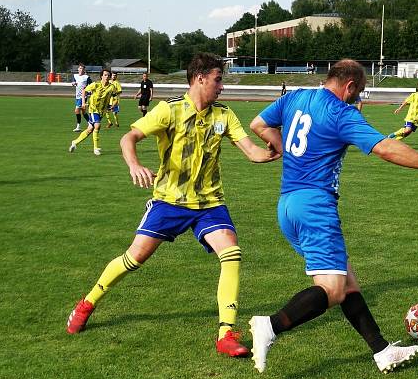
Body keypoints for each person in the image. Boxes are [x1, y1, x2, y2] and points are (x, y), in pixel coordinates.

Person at [248, 59, 418, 374]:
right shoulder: (340, 113)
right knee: (333, 288)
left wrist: (290, 152)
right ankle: (271, 325)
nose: (357, 100)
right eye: (358, 92)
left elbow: (258, 124)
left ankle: (382, 350)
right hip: (315, 207)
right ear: (349, 86)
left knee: (347, 283)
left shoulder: (296, 96)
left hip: (288, 205)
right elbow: (385, 148)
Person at [66, 53, 280, 358]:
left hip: (209, 202)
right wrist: (134, 165)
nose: (222, 86)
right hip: (169, 201)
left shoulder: (224, 114)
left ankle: (226, 333)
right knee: (134, 258)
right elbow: (129, 138)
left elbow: (251, 152)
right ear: (200, 78)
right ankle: (86, 304)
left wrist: (274, 152)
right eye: (218, 79)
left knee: (232, 253)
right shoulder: (169, 110)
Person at [68, 69, 114, 156]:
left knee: (90, 129)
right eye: (105, 75)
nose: (107, 77)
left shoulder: (111, 87)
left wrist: (110, 105)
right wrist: (83, 103)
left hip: (102, 111)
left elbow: (110, 97)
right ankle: (96, 148)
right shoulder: (95, 85)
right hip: (93, 109)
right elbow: (84, 91)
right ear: (101, 76)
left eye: (108, 75)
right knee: (97, 125)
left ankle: (75, 142)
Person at [71, 64, 92, 131]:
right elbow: (73, 82)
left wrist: (88, 92)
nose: (81, 70)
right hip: (77, 96)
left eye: (82, 69)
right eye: (80, 68)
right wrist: (73, 83)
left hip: (83, 96)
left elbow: (91, 86)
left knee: (77, 110)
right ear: (78, 69)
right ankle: (90, 123)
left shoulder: (86, 77)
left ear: (84, 70)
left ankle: (78, 126)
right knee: (83, 112)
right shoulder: (75, 75)